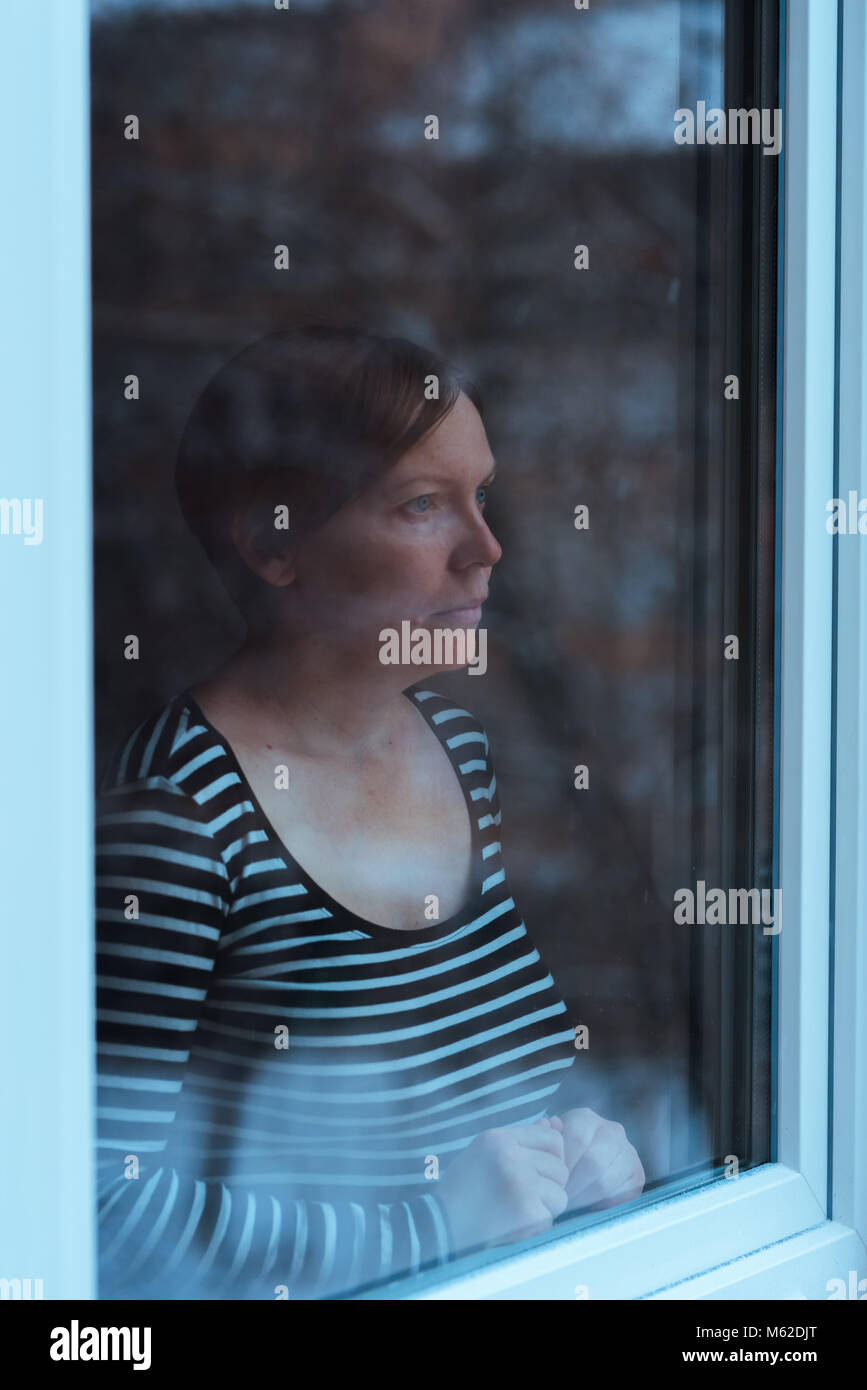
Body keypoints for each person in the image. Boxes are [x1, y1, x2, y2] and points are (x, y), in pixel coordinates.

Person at [95, 324, 644, 1300]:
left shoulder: (455, 746)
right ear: (274, 545)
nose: (487, 549)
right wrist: (422, 1232)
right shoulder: (179, 815)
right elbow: (95, 1207)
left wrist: (580, 1145)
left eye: (481, 496)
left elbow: (470, 1083)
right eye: (422, 504)